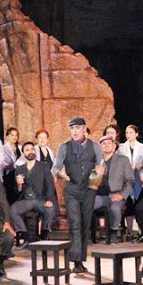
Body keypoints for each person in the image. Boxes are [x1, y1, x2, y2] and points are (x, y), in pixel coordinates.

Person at [51, 117, 103, 273]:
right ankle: (76, 262)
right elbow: (55, 167)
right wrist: (60, 174)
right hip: (72, 190)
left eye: (78, 128)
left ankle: (81, 259)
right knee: (75, 223)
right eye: (72, 128)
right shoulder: (64, 147)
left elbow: (101, 164)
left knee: (85, 225)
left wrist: (101, 170)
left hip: (89, 189)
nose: (74, 131)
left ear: (84, 129)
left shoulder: (95, 146)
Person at [10, 142, 57, 244]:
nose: (30, 151)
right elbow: (16, 191)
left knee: (50, 209)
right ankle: (24, 234)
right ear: (23, 153)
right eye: (27, 150)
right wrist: (19, 185)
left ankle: (44, 235)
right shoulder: (19, 169)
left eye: (32, 149)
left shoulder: (44, 166)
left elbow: (50, 185)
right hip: (26, 200)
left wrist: (49, 200)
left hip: (40, 200)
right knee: (13, 209)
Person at [93, 135, 134, 244]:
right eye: (103, 144)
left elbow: (130, 181)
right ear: (100, 147)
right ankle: (87, 234)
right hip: (99, 196)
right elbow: (92, 183)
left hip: (116, 194)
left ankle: (113, 233)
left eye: (109, 143)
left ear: (114, 145)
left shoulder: (123, 160)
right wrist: (97, 175)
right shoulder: (96, 161)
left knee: (115, 208)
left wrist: (122, 194)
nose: (106, 145)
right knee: (86, 205)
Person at [117, 125, 143, 235]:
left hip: (139, 178)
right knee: (128, 205)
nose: (128, 135)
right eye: (126, 133)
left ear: (136, 134)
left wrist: (141, 165)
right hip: (126, 180)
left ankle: (141, 231)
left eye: (131, 132)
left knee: (138, 204)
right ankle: (129, 231)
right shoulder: (121, 148)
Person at [1, 127, 22, 205]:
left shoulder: (20, 147)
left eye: (16, 135)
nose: (14, 137)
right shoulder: (3, 149)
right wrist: (13, 165)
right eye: (12, 135)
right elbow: (2, 164)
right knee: (10, 196)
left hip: (20, 174)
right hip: (8, 176)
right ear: (7, 137)